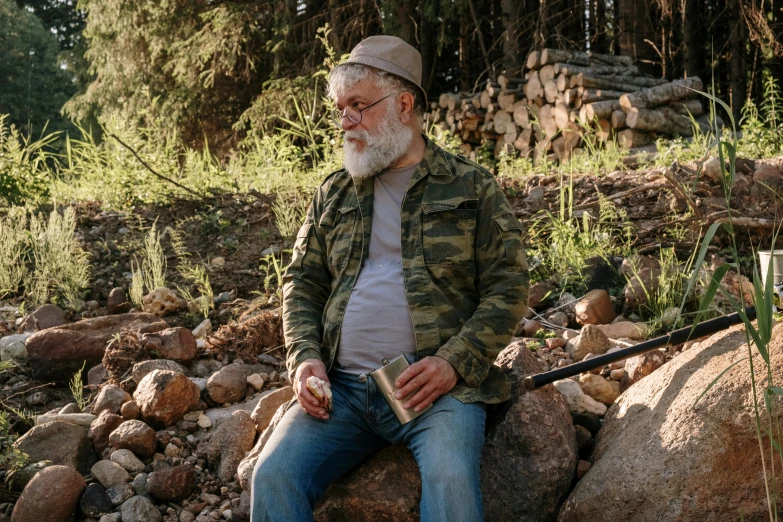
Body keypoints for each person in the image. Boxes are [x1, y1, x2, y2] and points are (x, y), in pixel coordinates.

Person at [251, 35, 529, 522]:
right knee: (273, 476)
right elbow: (302, 284)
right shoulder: (334, 193)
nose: (345, 121)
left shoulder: (470, 186)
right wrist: (306, 361)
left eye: (358, 105)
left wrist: (452, 363)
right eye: (340, 109)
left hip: (435, 391)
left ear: (404, 104)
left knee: (451, 482)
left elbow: (509, 286)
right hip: (340, 393)